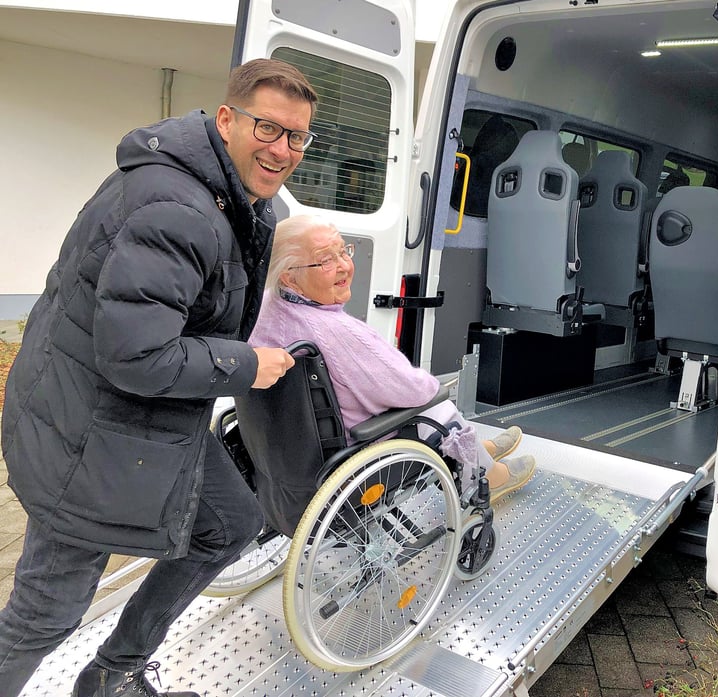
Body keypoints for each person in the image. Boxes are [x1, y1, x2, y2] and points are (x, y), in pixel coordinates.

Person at [0, 58, 318, 697]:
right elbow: (137, 356)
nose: (282, 149)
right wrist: (248, 366)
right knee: (47, 613)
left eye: (297, 137)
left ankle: (113, 673)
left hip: (143, 420)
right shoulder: (177, 209)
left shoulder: (232, 196)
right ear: (227, 119)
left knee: (229, 523)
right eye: (268, 128)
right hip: (88, 431)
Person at [247, 214, 537, 505]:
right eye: (325, 260)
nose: (344, 266)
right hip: (350, 452)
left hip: (289, 453)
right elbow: (416, 391)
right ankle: (492, 477)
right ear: (289, 276)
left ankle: (478, 451)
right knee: (439, 407)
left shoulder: (265, 307)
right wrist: (433, 385)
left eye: (343, 251)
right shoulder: (336, 333)